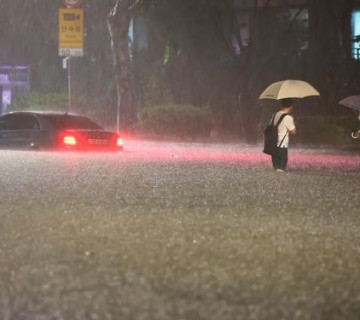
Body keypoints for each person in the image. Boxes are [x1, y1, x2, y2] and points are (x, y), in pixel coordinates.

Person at [271, 98, 296, 172]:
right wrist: (292, 120)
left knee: (276, 170)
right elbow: (293, 132)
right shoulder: (288, 118)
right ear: (291, 106)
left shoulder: (274, 115)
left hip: (273, 145)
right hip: (282, 146)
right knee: (281, 170)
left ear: (281, 105)